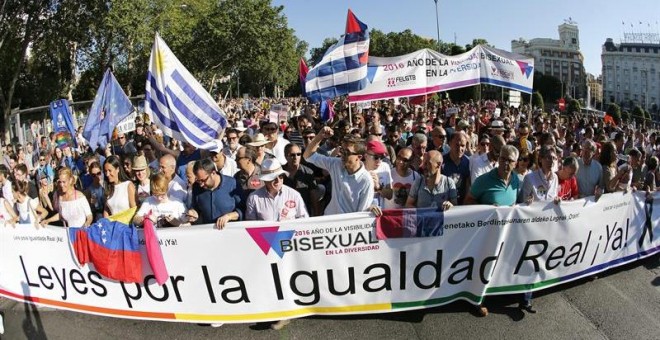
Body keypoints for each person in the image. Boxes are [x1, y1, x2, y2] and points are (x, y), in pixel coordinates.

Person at [464, 145, 520, 317]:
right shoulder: (483, 180)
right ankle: (477, 300)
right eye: (502, 159)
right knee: (484, 267)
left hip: (506, 232)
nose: (505, 163)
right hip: (485, 235)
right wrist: (487, 209)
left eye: (509, 161)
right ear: (498, 159)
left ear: (515, 163)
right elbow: (467, 202)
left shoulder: (517, 180)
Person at [303, 127, 375, 215]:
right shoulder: (336, 164)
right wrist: (320, 136)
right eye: (342, 150)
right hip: (329, 221)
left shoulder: (366, 181)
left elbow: (362, 214)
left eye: (347, 152)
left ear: (359, 157)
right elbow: (308, 156)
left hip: (348, 226)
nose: (342, 155)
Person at [187, 158, 244, 229]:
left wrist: (229, 216)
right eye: (198, 181)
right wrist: (193, 213)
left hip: (230, 231)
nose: (201, 184)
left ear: (213, 173)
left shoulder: (232, 184)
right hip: (208, 232)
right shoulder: (196, 186)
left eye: (203, 180)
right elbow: (196, 207)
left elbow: (243, 209)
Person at [282, 143, 321, 216]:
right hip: (284, 214)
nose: (295, 157)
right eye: (292, 155)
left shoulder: (308, 172)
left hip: (303, 212)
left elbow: (313, 197)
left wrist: (316, 215)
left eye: (298, 154)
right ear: (285, 156)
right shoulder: (280, 172)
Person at [442, 131, 471, 205]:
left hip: (462, 203)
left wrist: (465, 203)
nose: (460, 148)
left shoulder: (468, 162)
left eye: (462, 145)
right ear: (449, 144)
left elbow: (468, 185)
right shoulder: (442, 161)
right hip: (444, 203)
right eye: (457, 145)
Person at [363, 140, 393, 208]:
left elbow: (390, 195)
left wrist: (378, 187)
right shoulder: (359, 169)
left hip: (380, 213)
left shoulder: (385, 167)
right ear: (366, 156)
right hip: (363, 214)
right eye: (376, 157)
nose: (379, 161)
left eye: (382, 157)